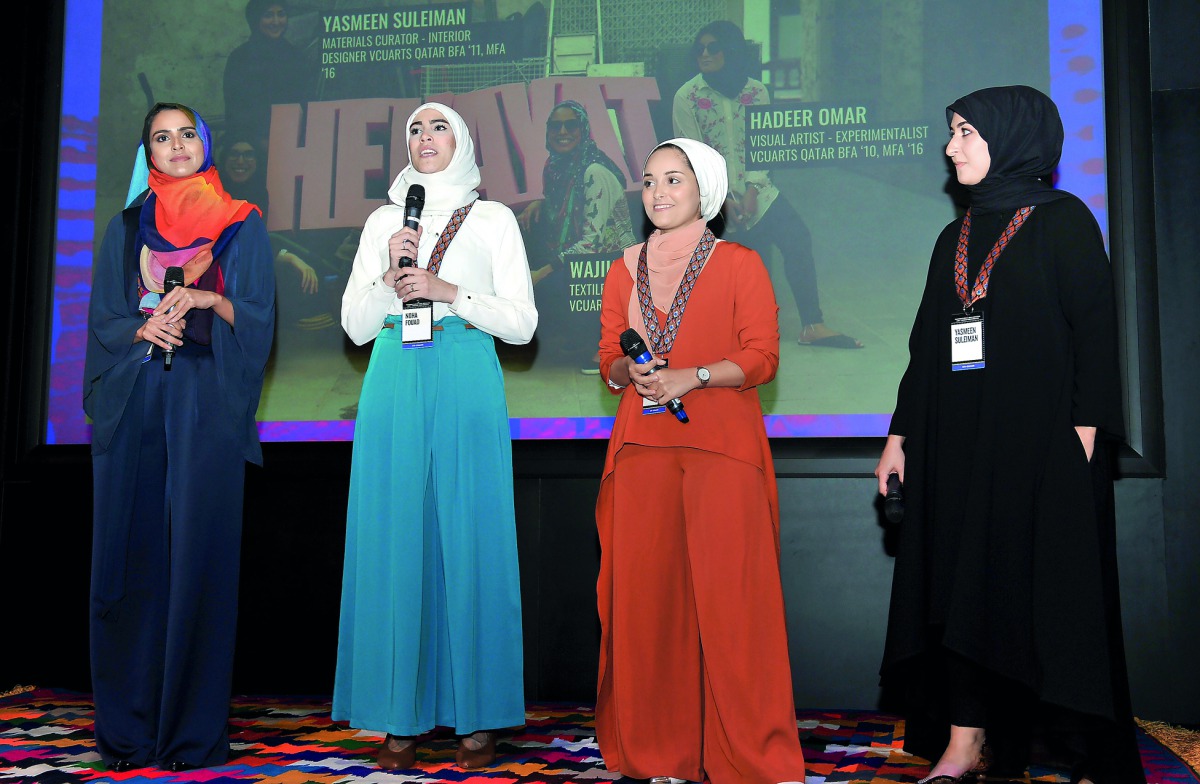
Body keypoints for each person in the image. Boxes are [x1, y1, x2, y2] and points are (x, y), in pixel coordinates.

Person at [873, 85, 1144, 784]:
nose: (950, 145)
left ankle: (1080, 747)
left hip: (1040, 448)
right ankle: (964, 744)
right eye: (952, 132)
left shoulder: (1065, 221)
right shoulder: (952, 237)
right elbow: (927, 347)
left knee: (1045, 598)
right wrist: (900, 436)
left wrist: (1083, 433)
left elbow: (1096, 334)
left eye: (964, 131)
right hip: (953, 445)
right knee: (958, 592)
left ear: (1012, 138)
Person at [594, 137, 807, 784]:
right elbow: (607, 356)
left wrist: (695, 376)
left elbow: (763, 356)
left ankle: (750, 761)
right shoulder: (623, 267)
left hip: (721, 447)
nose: (658, 192)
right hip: (641, 449)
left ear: (704, 190)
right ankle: (662, 753)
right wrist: (626, 370)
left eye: (674, 180)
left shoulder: (740, 262)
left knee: (734, 609)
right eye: (651, 181)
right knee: (648, 609)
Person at [334, 102, 537, 771]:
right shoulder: (382, 223)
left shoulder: (494, 219)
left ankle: (479, 715)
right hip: (395, 368)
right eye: (415, 129)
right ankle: (400, 715)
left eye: (439, 127)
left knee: (470, 536)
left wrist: (448, 289)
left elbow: (522, 323)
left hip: (464, 366)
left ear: (464, 142)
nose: (425, 138)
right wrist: (389, 276)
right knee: (396, 537)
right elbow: (357, 326)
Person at [84, 102, 275, 771]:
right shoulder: (126, 226)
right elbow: (102, 317)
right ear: (149, 155)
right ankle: (128, 732)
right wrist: (140, 330)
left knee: (197, 563)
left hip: (204, 402)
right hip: (138, 396)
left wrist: (207, 301)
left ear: (205, 144)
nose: (176, 146)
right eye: (161, 139)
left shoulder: (241, 224)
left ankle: (187, 735)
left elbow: (256, 316)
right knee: (129, 562)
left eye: (187, 134)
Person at [672, 20, 861, 349]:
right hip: (710, 198)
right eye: (699, 48)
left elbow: (763, 146)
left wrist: (753, 191)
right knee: (732, 262)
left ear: (731, 51)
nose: (704, 54)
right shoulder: (687, 96)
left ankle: (812, 325)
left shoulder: (757, 92)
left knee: (797, 238)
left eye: (713, 47)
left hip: (758, 192)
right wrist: (722, 200)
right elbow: (692, 156)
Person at [518, 99, 636, 373]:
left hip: (611, 264)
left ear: (583, 130)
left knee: (544, 286)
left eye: (571, 125)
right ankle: (580, 337)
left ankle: (602, 347)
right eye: (555, 126)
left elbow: (592, 244)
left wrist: (544, 271)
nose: (563, 132)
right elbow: (565, 206)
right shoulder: (558, 166)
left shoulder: (594, 170)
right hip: (586, 258)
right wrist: (539, 204)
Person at [223, 0, 311, 156]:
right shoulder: (240, 58)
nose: (276, 22)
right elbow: (236, 108)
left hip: (291, 148)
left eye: (281, 14)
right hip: (248, 148)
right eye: (268, 15)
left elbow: (305, 102)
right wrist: (259, 141)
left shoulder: (296, 58)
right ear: (255, 19)